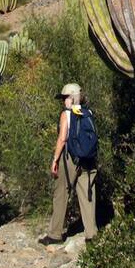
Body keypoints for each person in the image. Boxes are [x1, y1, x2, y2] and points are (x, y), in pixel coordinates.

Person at [39, 82, 98, 246]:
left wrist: (55, 159)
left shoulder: (67, 114)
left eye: (65, 97)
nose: (63, 101)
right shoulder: (88, 113)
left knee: (61, 194)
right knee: (87, 195)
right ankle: (91, 234)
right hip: (88, 160)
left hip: (69, 159)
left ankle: (55, 234)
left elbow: (63, 138)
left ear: (71, 98)